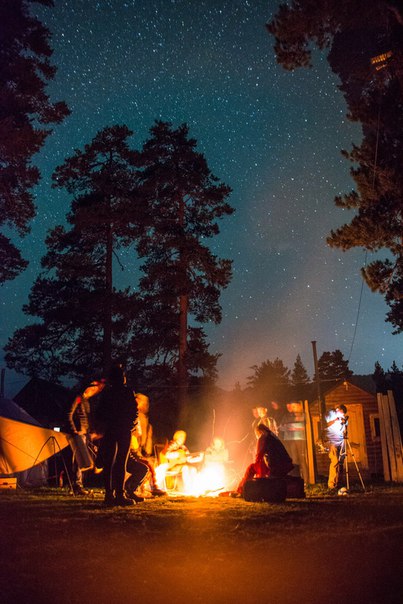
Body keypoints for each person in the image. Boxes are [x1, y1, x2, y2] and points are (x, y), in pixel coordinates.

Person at [95, 363, 139, 506]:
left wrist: (107, 424)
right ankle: (118, 494)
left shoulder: (107, 394)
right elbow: (134, 411)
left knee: (110, 463)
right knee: (120, 463)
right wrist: (130, 425)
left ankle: (110, 495)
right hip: (122, 430)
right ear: (121, 378)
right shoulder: (127, 392)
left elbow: (99, 412)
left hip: (112, 430)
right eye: (123, 375)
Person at [67, 379, 106, 495]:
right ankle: (76, 486)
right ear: (88, 387)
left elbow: (87, 419)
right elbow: (69, 414)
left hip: (84, 434)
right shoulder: (78, 398)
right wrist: (74, 430)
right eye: (93, 388)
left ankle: (78, 486)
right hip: (78, 433)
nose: (95, 391)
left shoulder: (85, 401)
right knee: (79, 461)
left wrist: (90, 432)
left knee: (84, 461)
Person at [236, 423, 293, 497]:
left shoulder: (262, 438)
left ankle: (242, 490)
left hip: (274, 468)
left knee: (251, 468)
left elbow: (258, 456)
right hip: (285, 466)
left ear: (259, 432)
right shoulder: (273, 437)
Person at [279, 401, 309, 484]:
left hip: (300, 440)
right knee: (294, 460)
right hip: (290, 440)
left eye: (294, 406)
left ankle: (306, 481)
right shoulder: (287, 416)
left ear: (299, 406)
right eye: (292, 407)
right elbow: (281, 427)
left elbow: (302, 426)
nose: (292, 408)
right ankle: (296, 480)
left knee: (302, 460)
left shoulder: (303, 415)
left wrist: (290, 427)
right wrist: (291, 427)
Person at [323, 404, 348, 490]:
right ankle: (331, 484)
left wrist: (344, 424)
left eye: (343, 414)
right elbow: (326, 425)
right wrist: (336, 420)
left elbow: (345, 431)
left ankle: (338, 482)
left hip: (341, 442)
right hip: (332, 442)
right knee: (334, 461)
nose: (342, 415)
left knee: (340, 463)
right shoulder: (331, 416)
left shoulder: (343, 419)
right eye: (340, 413)